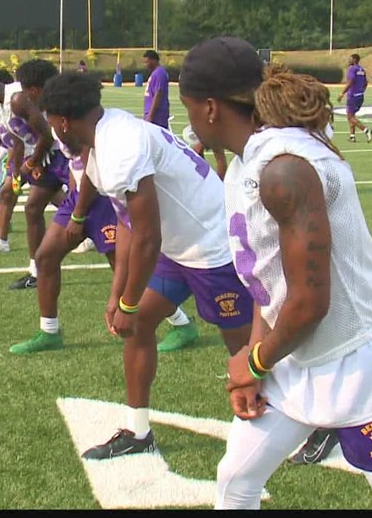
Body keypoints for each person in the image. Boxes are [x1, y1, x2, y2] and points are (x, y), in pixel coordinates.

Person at [176, 36, 372, 510]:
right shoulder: (248, 162)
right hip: (297, 358)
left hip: (362, 362)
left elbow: (310, 302)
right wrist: (254, 360)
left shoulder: (283, 169)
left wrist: (255, 361)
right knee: (236, 479)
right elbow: (268, 285)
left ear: (209, 107)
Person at [40, 71, 252, 460]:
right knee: (136, 328)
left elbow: (147, 234)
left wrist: (129, 302)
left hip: (213, 246)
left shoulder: (118, 144)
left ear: (62, 121)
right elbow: (125, 220)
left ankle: (311, 422)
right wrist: (119, 295)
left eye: (51, 121)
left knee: (248, 352)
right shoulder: (103, 135)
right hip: (179, 247)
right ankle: (139, 432)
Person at [9, 128, 119, 355]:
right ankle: (50, 332)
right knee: (45, 257)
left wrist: (78, 215)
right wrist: (72, 194)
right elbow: (74, 164)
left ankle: (180, 322)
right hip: (79, 196)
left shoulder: (78, 121)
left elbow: (91, 171)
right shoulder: (56, 122)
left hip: (103, 198)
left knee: (124, 269)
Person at [0, 61, 69, 293]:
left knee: (85, 208)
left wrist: (32, 163)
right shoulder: (1, 106)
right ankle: (35, 269)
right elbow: (16, 141)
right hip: (44, 155)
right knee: (29, 205)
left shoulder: (15, 98)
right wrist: (16, 172)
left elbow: (45, 134)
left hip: (58, 153)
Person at [337, 54, 372, 143]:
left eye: (350, 59)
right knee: (351, 115)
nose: (349, 60)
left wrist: (342, 93)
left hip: (353, 95)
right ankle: (352, 136)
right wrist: (361, 90)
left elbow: (350, 82)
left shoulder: (352, 69)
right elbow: (365, 83)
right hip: (360, 95)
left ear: (354, 60)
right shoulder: (362, 70)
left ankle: (366, 130)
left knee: (350, 116)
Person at [142, 49, 170, 129]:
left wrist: (150, 115)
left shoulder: (159, 73)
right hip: (153, 115)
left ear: (153, 60)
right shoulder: (156, 73)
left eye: (147, 62)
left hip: (157, 117)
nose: (145, 64)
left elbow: (158, 94)